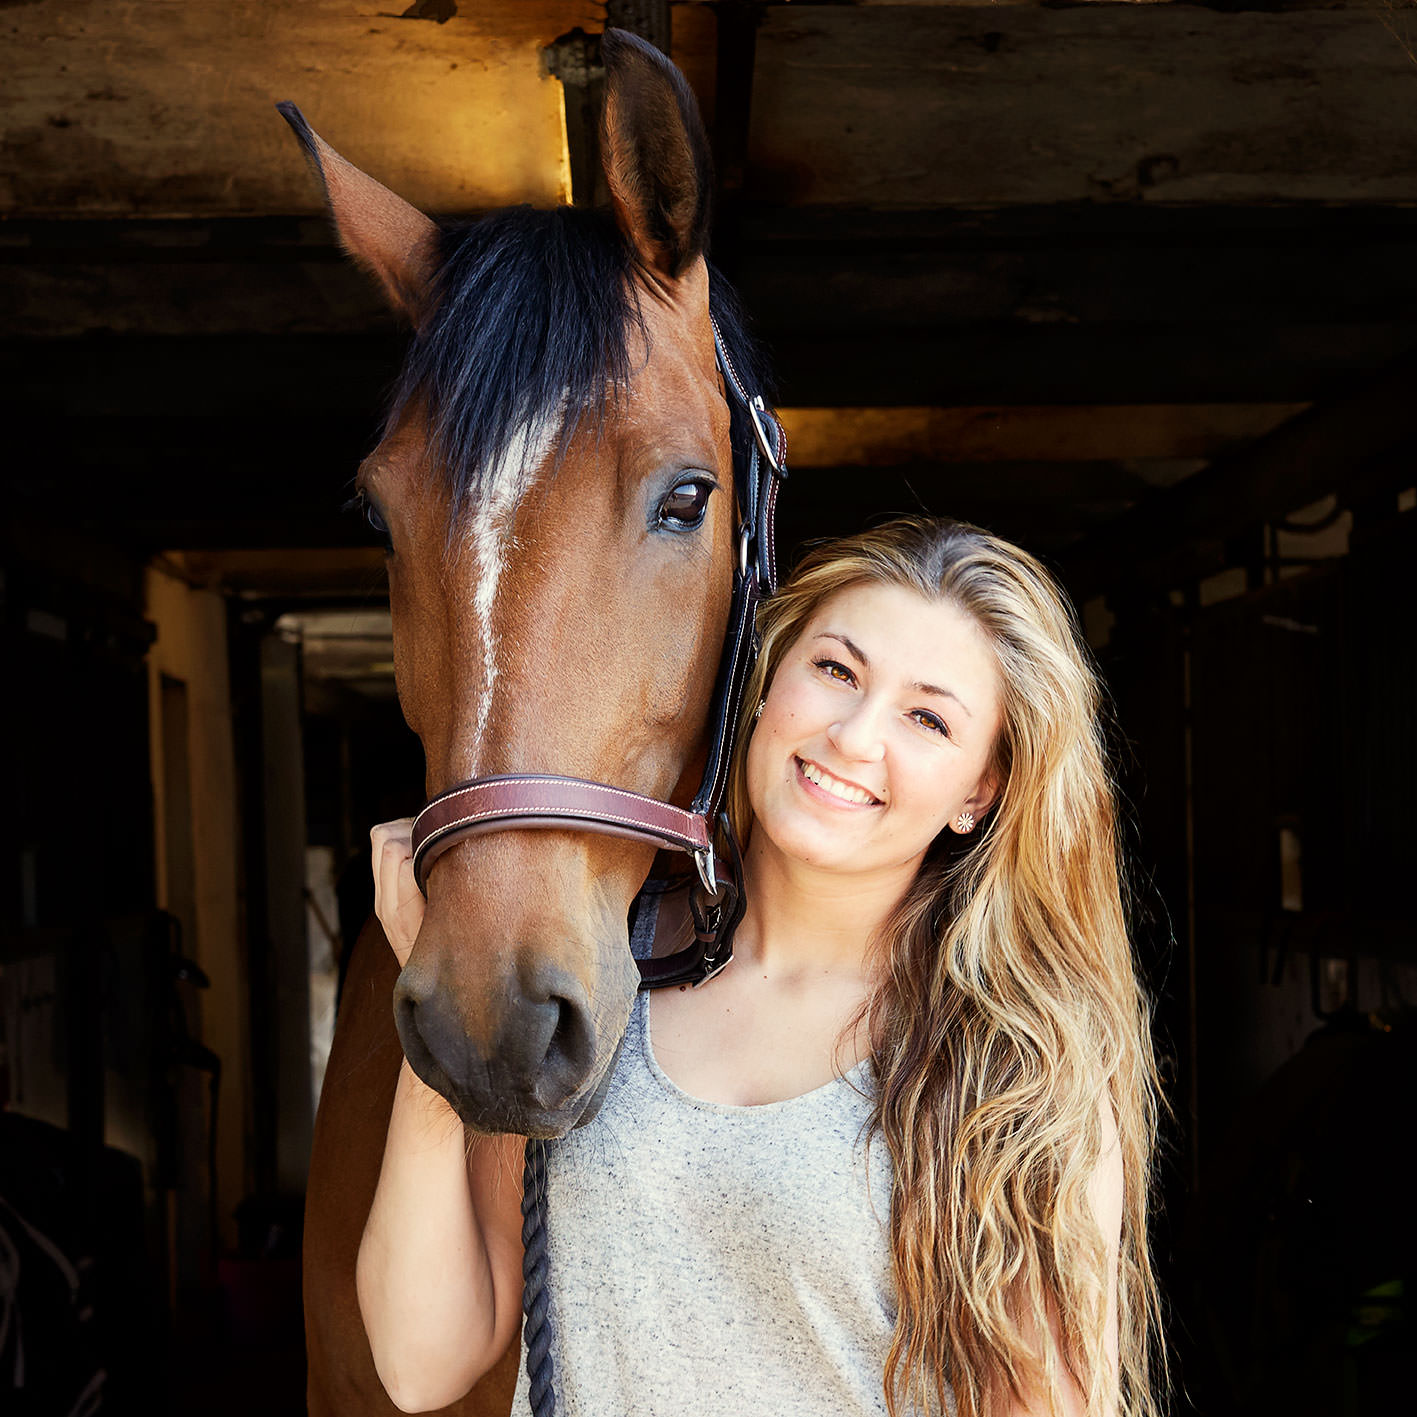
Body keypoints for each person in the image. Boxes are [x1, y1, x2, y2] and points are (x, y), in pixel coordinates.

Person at [360, 517, 1167, 1417]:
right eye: (835, 670)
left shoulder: (1014, 1067)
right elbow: (420, 1361)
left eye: (927, 718)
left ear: (978, 791)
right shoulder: (599, 972)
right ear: (770, 675)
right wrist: (433, 1002)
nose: (853, 735)